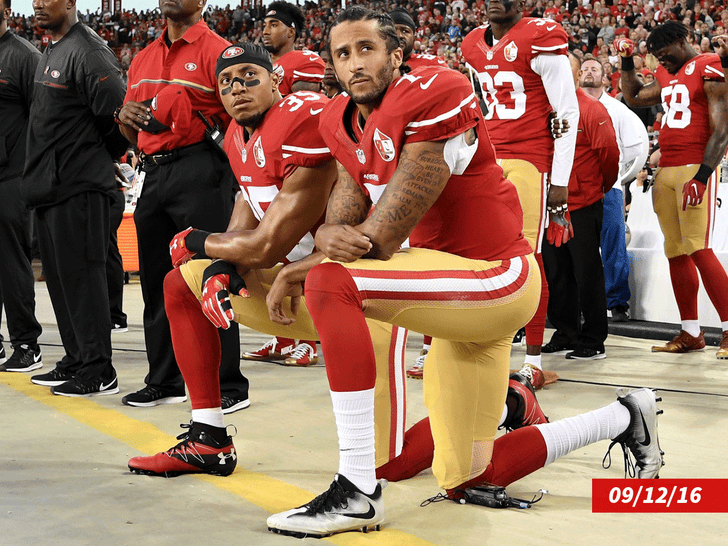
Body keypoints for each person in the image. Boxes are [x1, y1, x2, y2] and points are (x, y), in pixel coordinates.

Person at [265, 8, 662, 539]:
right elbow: (342, 219)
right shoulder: (338, 119)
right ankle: (621, 415)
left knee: (329, 281)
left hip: (497, 277)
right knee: (467, 476)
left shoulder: (437, 89)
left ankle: (356, 492)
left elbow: (375, 237)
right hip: (454, 302)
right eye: (342, 54)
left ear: (396, 55)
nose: (355, 63)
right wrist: (323, 248)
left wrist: (313, 260)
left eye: (367, 49)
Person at [127, 42, 547, 480]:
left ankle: (505, 404)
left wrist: (195, 240)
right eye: (227, 82)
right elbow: (246, 222)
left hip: (359, 295)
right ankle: (209, 438)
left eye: (250, 77)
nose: (238, 89)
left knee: (392, 466)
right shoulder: (238, 135)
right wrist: (218, 264)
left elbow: (266, 245)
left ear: (277, 80)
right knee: (182, 285)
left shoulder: (303, 120)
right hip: (304, 288)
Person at [116, 0, 249, 411]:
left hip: (201, 171)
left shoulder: (219, 52)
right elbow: (127, 127)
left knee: (209, 275)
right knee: (156, 281)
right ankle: (164, 379)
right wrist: (125, 115)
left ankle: (228, 384)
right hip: (152, 173)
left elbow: (242, 118)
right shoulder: (142, 57)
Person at [461, 0, 579, 387]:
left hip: (531, 159)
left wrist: (560, 182)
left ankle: (533, 360)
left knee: (529, 257)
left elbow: (566, 112)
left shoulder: (539, 36)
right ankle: (486, 342)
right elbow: (479, 107)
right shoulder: (471, 44)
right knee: (482, 252)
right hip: (490, 159)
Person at [23, 0, 126, 396]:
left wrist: (97, 159)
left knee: (83, 280)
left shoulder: (89, 51)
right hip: (51, 187)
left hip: (79, 187)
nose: (37, 4)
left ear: (70, 3)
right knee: (62, 283)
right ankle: (76, 359)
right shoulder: (53, 47)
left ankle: (99, 369)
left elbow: (117, 118)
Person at [617, 22, 728, 359]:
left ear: (682, 42)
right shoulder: (668, 75)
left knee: (699, 248)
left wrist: (703, 175)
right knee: (675, 251)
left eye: (665, 55)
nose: (661, 62)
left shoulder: (710, 64)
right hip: (666, 170)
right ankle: (690, 331)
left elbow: (723, 128)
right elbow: (634, 95)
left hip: (695, 166)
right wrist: (625, 62)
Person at [246, 0, 325, 365]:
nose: (265, 30)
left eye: (274, 24)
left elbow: (311, 105)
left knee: (303, 248)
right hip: (266, 162)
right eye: (264, 23)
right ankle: (283, 336)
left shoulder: (304, 60)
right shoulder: (262, 67)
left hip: (296, 162)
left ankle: (309, 337)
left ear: (292, 31)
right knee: (277, 252)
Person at [541, 53, 620, 361]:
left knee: (586, 272)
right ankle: (566, 332)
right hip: (552, 206)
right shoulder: (544, 112)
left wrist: (599, 189)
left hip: (583, 204)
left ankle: (593, 338)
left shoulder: (590, 109)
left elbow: (609, 155)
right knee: (557, 272)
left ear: (575, 77)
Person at [579, 57, 649, 323]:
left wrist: (617, 175)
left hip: (609, 187)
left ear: (604, 78)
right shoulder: (568, 106)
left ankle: (618, 301)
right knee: (580, 248)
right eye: (584, 69)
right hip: (577, 188)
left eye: (594, 69)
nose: (588, 72)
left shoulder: (617, 109)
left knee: (613, 244)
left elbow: (633, 149)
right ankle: (582, 303)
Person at [0, 0, 44, 374]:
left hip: (11, 178)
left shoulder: (23, 56)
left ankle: (27, 344)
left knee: (12, 263)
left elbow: (43, 118)